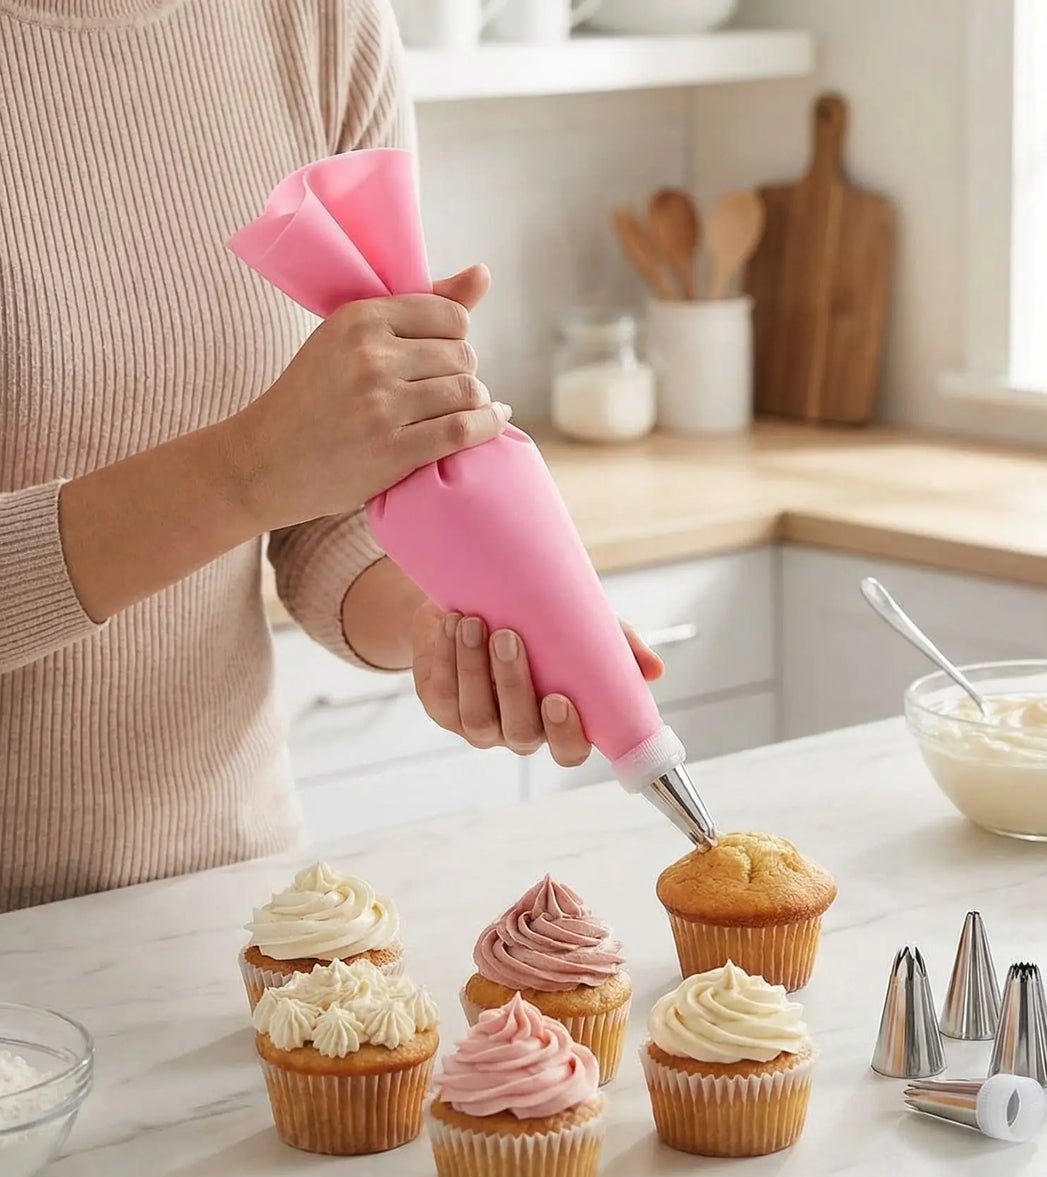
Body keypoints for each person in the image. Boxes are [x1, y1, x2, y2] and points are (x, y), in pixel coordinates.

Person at [0, 0, 659, 911]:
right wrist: (243, 471)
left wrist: (442, 620)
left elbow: (329, 495)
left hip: (232, 893)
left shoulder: (318, 20)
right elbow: (271, 468)